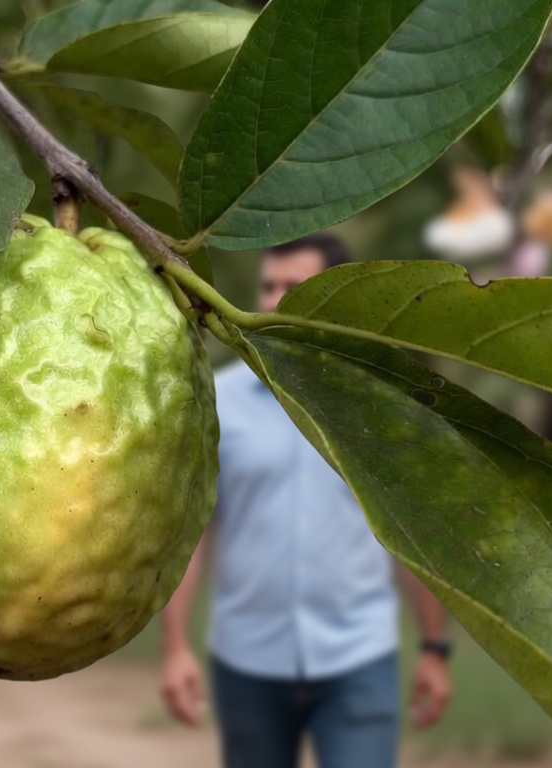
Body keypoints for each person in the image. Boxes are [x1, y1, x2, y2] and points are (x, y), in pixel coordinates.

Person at [159, 233, 453, 768]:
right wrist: (176, 647)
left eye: (292, 288)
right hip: (247, 659)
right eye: (268, 286)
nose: (272, 301)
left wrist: (435, 649)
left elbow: (414, 543)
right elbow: (193, 536)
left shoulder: (378, 411)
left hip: (358, 658)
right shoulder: (218, 402)